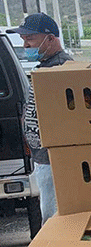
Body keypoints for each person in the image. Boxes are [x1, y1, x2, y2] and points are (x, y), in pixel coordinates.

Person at [6, 13, 73, 223]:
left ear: (50, 38)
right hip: (42, 158)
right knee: (49, 214)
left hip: (55, 160)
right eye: (24, 40)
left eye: (30, 39)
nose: (25, 45)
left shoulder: (62, 69)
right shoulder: (44, 68)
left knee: (54, 219)